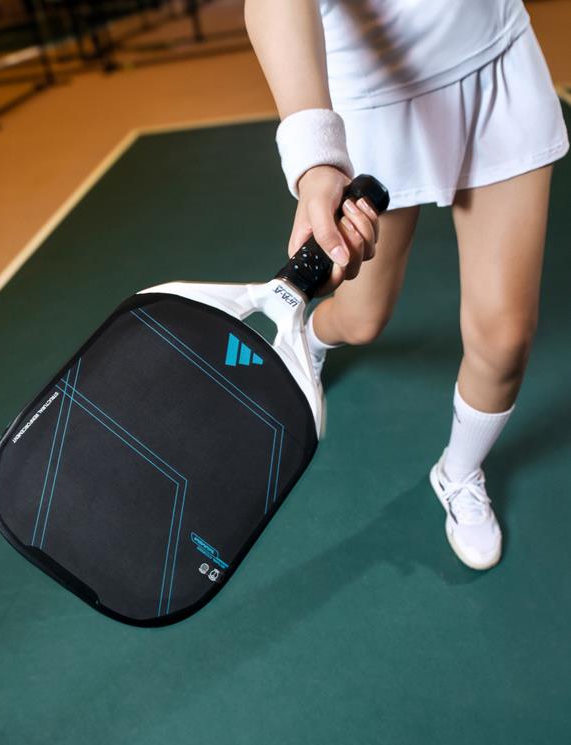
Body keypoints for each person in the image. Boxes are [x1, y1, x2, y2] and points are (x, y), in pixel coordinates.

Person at [244, 0, 569, 570]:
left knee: (506, 338)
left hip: (497, 63)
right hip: (375, 98)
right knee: (363, 318)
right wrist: (317, 161)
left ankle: (459, 471)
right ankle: (315, 338)